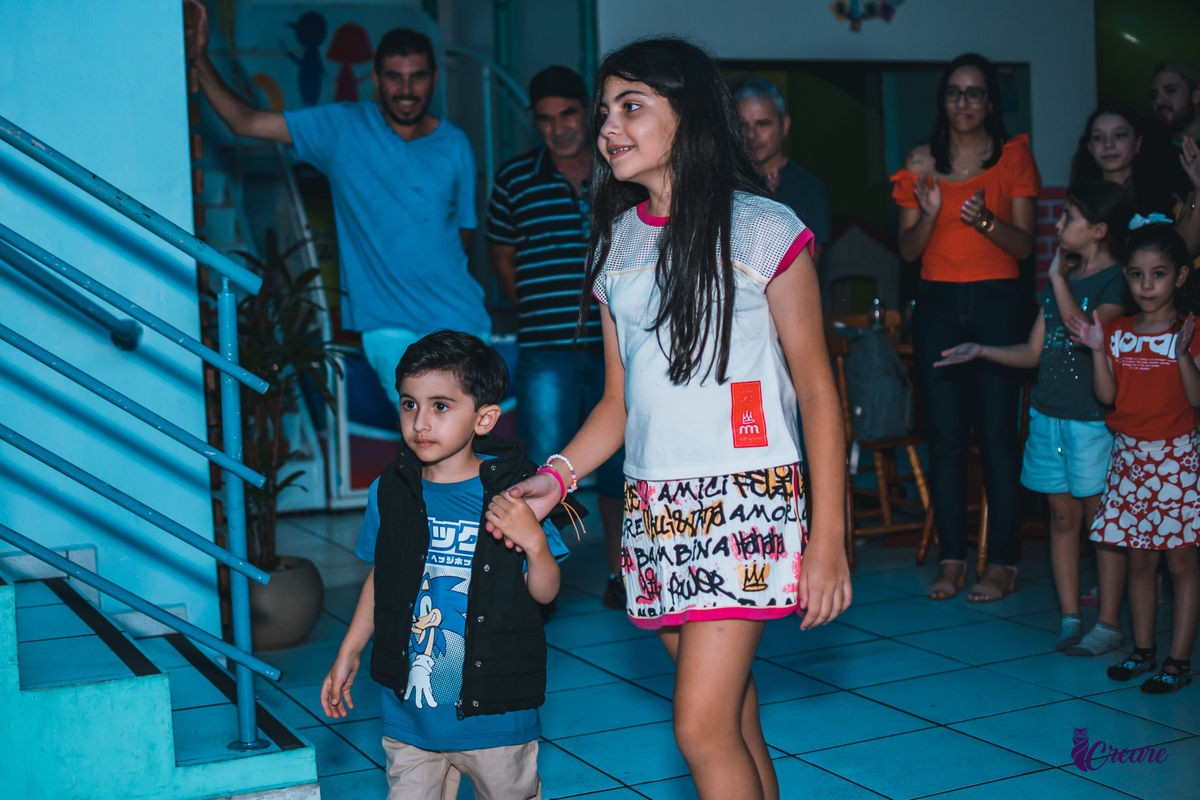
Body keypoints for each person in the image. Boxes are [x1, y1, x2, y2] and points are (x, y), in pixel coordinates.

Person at [486, 38, 851, 800]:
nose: (608, 126)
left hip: (746, 500)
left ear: (689, 117)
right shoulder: (616, 246)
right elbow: (620, 403)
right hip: (657, 509)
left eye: (631, 106)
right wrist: (557, 478)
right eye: (605, 110)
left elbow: (818, 392)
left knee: (699, 726)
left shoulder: (763, 231)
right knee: (733, 714)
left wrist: (830, 542)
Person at [184, 0, 487, 404]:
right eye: (395, 77)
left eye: (417, 77)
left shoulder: (456, 144)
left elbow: (464, 234)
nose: (407, 89)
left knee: (466, 440)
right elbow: (246, 122)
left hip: (460, 318)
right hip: (388, 325)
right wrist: (200, 58)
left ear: (434, 78)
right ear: (377, 78)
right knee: (426, 432)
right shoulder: (341, 128)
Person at [319, 331, 578, 798]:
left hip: (496, 716)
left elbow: (545, 593)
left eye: (440, 406)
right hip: (411, 716)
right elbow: (383, 579)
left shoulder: (516, 495)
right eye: (408, 404)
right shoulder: (391, 490)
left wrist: (536, 545)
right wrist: (349, 650)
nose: (420, 422)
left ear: (484, 418)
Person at [935, 181, 1132, 653]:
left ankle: (1107, 623)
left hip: (1091, 421)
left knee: (1100, 525)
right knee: (1061, 519)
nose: (1059, 225)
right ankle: (1069, 618)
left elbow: (1084, 331)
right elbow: (1033, 350)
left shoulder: (1116, 281)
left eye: (1069, 217)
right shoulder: (1056, 280)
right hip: (1049, 417)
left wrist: (1061, 282)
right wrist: (981, 349)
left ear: (1100, 229)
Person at [892, 52, 1041, 603]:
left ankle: (1001, 562)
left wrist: (984, 221)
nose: (963, 103)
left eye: (975, 93)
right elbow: (908, 249)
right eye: (954, 92)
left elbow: (1025, 246)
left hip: (999, 302)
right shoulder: (920, 161)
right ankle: (952, 560)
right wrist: (932, 211)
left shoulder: (1013, 158)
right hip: (936, 304)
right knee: (947, 440)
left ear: (989, 101)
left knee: (999, 438)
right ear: (943, 99)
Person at [487, 66, 627, 609]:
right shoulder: (514, 178)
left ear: (587, 113)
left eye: (568, 114)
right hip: (546, 345)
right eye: (544, 119)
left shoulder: (620, 167)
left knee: (620, 464)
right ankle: (540, 584)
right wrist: (535, 305)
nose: (558, 128)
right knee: (548, 466)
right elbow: (501, 255)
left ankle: (620, 573)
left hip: (617, 346)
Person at [1066, 222, 1200, 694]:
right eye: (1138, 275)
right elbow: (1108, 397)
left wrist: (1182, 353)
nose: (1146, 286)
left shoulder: (1191, 330)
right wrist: (1099, 351)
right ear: (1127, 276)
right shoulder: (1120, 332)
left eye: (1158, 274)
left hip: (1176, 458)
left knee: (1181, 564)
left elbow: (1197, 397)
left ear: (1180, 277)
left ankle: (1177, 660)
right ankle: (1143, 651)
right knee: (1141, 562)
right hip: (1129, 460)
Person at [1069, 104, 1200, 254]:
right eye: (1098, 137)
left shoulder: (1164, 195)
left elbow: (1186, 249)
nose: (1108, 144)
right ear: (1090, 148)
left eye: (1120, 135)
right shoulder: (1079, 202)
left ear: (1138, 143)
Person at [734, 78, 832, 262]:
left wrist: (770, 204)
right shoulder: (724, 180)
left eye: (763, 123)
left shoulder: (807, 188)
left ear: (784, 125)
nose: (751, 134)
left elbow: (808, 267)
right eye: (742, 125)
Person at [1141, 60, 1200, 225]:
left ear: (1196, 95)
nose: (1160, 101)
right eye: (1154, 95)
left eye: (1170, 91)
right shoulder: (1149, 151)